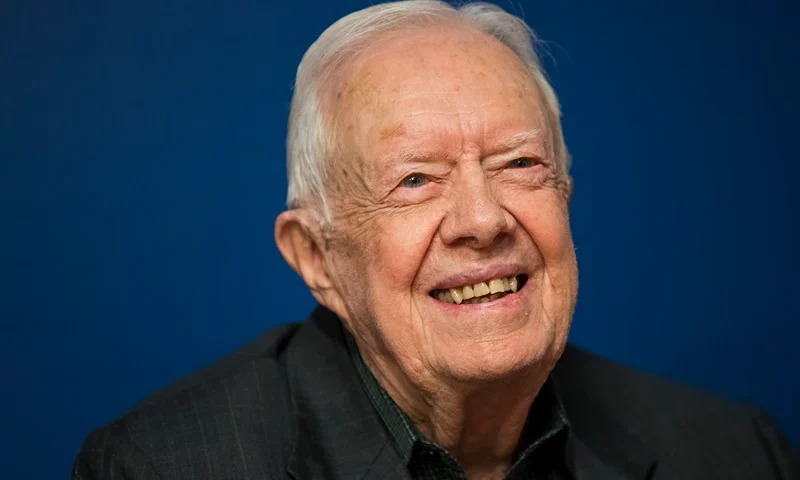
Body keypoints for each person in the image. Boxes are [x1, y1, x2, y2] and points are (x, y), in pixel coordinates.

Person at [72, 1, 798, 479]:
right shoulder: (165, 465)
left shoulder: (734, 453)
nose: (483, 220)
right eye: (416, 180)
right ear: (316, 257)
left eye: (520, 164)